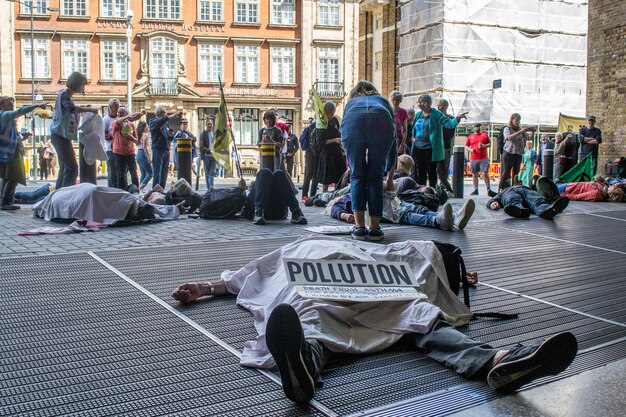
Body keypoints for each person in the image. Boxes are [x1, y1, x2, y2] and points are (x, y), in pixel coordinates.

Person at [171, 236, 578, 404]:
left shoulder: (315, 245)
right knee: (420, 316)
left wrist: (206, 288)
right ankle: (492, 360)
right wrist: (204, 287)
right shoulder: (304, 246)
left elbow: (244, 277)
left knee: (318, 319)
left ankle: (304, 365)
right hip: (363, 290)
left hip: (348, 287)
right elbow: (415, 255)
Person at [341, 81, 396, 241]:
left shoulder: (351, 103)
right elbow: (393, 141)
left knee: (357, 176)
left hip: (354, 121)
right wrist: (389, 169)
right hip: (382, 121)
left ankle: (359, 228)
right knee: (375, 177)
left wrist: (352, 164)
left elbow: (346, 131)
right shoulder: (383, 101)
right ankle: (375, 229)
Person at [32, 182, 189, 223]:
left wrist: (173, 209)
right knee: (44, 195)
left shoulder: (127, 199)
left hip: (70, 195)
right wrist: (174, 209)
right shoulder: (127, 199)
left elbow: (149, 207)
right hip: (76, 194)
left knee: (43, 196)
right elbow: (150, 208)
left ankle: (17, 196)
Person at [330, 192, 475, 231]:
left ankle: (455, 218)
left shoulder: (351, 192)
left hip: (387, 201)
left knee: (415, 208)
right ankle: (437, 221)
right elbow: (334, 209)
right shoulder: (343, 200)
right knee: (405, 215)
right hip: (375, 210)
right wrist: (345, 215)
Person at [50, 72, 98, 190]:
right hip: (60, 135)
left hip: (60, 135)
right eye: (83, 84)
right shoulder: (65, 95)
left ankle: (59, 194)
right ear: (77, 83)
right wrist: (90, 109)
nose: (83, 87)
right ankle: (67, 194)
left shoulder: (65, 95)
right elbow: (71, 109)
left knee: (65, 167)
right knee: (72, 167)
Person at [411, 95, 466, 188]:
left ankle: (432, 190)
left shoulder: (437, 114)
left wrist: (457, 118)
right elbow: (414, 129)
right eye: (419, 103)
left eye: (423, 102)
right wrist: (413, 138)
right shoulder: (418, 115)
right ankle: (422, 190)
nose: (420, 105)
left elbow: (449, 124)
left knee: (431, 170)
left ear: (429, 103)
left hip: (431, 148)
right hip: (418, 147)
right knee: (420, 170)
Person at [0, 97, 46, 210]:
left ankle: (4, 200)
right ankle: (6, 202)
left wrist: (22, 137)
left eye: (13, 103)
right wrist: (36, 106)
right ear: (2, 105)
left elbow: (12, 137)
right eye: (10, 103)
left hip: (7, 151)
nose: (12, 106)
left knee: (7, 177)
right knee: (13, 176)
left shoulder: (6, 117)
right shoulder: (5, 115)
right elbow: (19, 112)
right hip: (9, 152)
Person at [243, 168, 307, 225]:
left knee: (278, 173)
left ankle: (296, 212)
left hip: (275, 210)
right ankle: (296, 212)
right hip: (258, 209)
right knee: (265, 172)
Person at [487, 185, 569, 219]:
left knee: (537, 199)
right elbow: (491, 200)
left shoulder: (503, 193)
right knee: (514, 200)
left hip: (526, 190)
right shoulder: (501, 193)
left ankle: (548, 210)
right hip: (513, 192)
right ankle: (519, 210)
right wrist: (492, 203)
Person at [498, 113, 533, 191]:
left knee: (516, 172)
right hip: (508, 152)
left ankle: (514, 189)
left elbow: (529, 138)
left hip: (518, 153)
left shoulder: (521, 130)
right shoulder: (507, 129)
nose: (518, 122)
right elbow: (509, 138)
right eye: (516, 120)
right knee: (506, 171)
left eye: (519, 120)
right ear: (512, 120)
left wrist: (532, 131)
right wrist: (521, 131)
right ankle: (500, 188)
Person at [317, 102, 346, 193]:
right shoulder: (322, 122)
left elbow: (339, 132)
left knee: (340, 174)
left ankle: (337, 194)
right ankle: (324, 194)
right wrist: (334, 140)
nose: (332, 115)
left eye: (333, 113)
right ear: (327, 111)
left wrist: (340, 140)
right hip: (327, 153)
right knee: (326, 176)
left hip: (337, 151)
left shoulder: (335, 120)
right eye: (331, 113)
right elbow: (320, 142)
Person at [112, 107, 143, 190]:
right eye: (118, 113)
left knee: (134, 173)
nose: (119, 114)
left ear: (126, 113)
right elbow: (119, 121)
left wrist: (131, 136)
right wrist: (128, 117)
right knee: (121, 174)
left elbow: (136, 141)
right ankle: (122, 191)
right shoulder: (115, 123)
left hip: (130, 152)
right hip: (118, 152)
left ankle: (136, 190)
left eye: (122, 112)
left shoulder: (131, 125)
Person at [149, 107, 180, 189]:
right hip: (157, 149)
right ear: (160, 114)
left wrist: (170, 135)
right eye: (165, 114)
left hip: (166, 149)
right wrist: (170, 116)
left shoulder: (166, 124)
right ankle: (155, 190)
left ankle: (161, 189)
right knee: (157, 172)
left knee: (164, 172)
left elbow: (169, 138)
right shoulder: (152, 121)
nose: (166, 116)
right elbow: (159, 122)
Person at [465, 123, 495, 196]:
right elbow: (466, 146)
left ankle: (488, 189)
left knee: (484, 173)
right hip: (474, 158)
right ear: (474, 128)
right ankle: (476, 189)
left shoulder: (484, 135)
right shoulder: (470, 136)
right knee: (475, 174)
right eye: (476, 126)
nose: (477, 128)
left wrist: (484, 146)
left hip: (483, 158)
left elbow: (490, 144)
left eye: (478, 127)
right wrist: (471, 150)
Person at [436, 99, 456, 193]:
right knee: (438, 169)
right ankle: (446, 187)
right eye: (438, 105)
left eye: (441, 105)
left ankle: (444, 186)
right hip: (435, 147)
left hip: (446, 147)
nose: (439, 107)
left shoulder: (450, 118)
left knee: (445, 168)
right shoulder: (435, 117)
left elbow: (450, 133)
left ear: (446, 106)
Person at [103, 98, 120, 188]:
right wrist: (115, 135)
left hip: (121, 149)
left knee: (121, 171)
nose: (117, 108)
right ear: (110, 107)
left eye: (118, 106)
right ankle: (111, 189)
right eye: (115, 106)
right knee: (112, 171)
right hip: (111, 149)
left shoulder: (120, 118)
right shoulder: (105, 120)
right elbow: (104, 135)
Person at [300, 117, 317, 201]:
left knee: (313, 174)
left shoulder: (312, 126)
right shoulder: (313, 127)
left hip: (311, 153)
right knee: (310, 173)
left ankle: (309, 194)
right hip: (311, 153)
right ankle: (306, 194)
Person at [389, 91, 409, 155]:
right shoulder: (387, 110)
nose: (395, 102)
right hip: (389, 140)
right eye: (393, 99)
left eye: (397, 100)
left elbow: (405, 130)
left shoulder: (403, 112)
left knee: (400, 161)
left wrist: (402, 145)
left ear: (400, 101)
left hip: (399, 140)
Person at [198, 118, 216, 191]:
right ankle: (208, 187)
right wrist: (208, 150)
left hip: (213, 156)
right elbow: (201, 145)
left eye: (211, 124)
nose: (209, 125)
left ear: (212, 125)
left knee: (212, 172)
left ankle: (211, 187)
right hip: (206, 156)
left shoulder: (214, 134)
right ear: (206, 125)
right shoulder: (203, 134)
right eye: (208, 124)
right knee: (207, 173)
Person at [135, 121, 153, 191]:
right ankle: (142, 187)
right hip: (143, 154)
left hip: (138, 154)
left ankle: (141, 190)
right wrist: (148, 157)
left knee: (143, 173)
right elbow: (145, 147)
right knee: (151, 173)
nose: (148, 127)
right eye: (147, 126)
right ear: (144, 128)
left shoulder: (139, 135)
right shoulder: (145, 135)